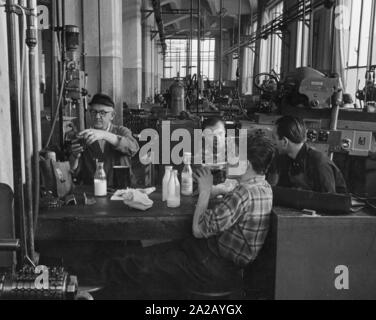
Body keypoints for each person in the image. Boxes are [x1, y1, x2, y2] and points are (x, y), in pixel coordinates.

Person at [76, 135, 275, 299]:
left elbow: (198, 230)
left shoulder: (244, 194)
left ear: (246, 164)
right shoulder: (263, 188)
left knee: (133, 262)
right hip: (221, 262)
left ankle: (74, 281)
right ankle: (88, 284)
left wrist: (206, 190)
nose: (230, 160)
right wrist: (220, 188)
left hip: (212, 266)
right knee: (143, 255)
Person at [70, 93, 139, 187]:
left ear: (112, 115)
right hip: (93, 190)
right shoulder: (84, 136)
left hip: (122, 189)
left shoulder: (121, 131)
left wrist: (104, 135)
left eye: (102, 113)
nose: (97, 116)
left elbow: (133, 148)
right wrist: (75, 157)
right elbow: (75, 174)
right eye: (94, 112)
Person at [272, 115, 347, 194]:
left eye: (274, 138)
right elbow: (283, 191)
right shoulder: (285, 158)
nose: (273, 142)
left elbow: (328, 201)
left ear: (284, 141)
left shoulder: (318, 163)